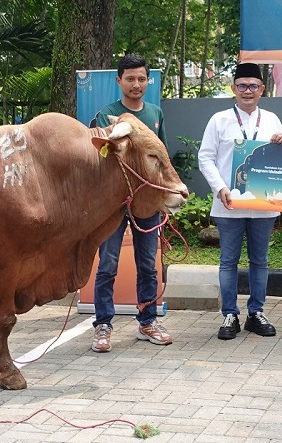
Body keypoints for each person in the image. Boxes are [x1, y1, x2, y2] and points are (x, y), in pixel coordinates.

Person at [198, 62, 282, 340]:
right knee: (228, 261)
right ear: (233, 88)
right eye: (242, 86)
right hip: (229, 203)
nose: (247, 91)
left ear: (262, 89)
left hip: (263, 205)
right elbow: (205, 158)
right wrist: (220, 188)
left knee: (259, 260)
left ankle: (255, 312)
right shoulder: (219, 119)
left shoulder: (272, 119)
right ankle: (229, 314)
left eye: (253, 86)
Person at [89, 54, 172, 353]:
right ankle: (103, 325)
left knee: (148, 265)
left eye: (141, 79)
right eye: (130, 79)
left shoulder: (156, 113)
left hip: (147, 204)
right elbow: (103, 159)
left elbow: (161, 159)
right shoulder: (106, 115)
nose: (136, 84)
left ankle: (148, 321)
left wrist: (162, 196)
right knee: (108, 264)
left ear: (148, 81)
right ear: (118, 81)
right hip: (114, 204)